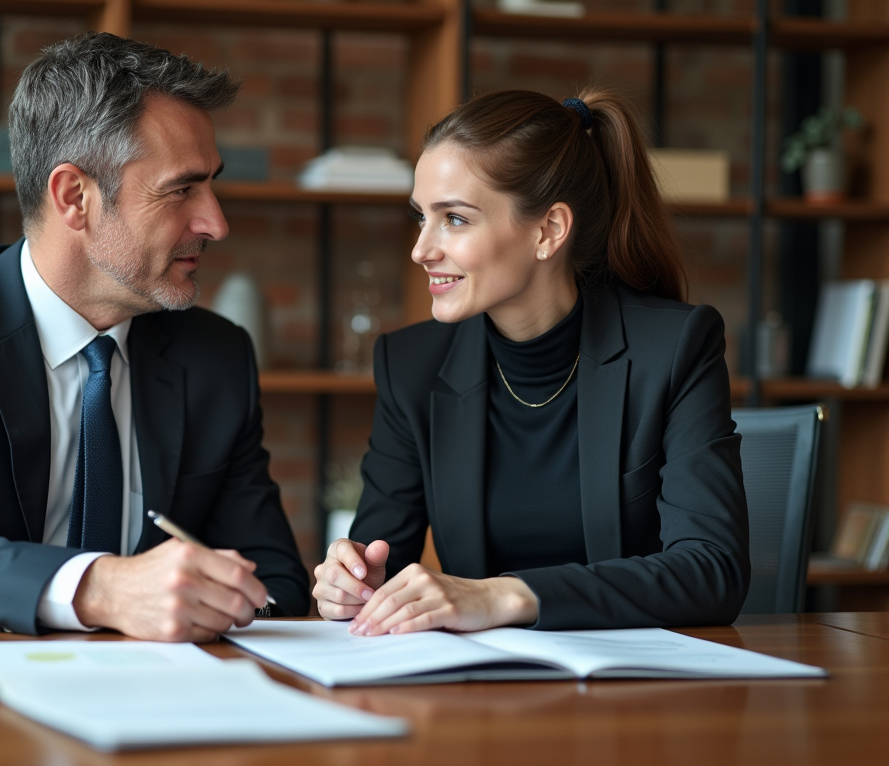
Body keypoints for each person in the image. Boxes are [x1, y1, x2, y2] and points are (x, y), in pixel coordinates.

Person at [0, 32, 310, 639]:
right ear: (75, 197)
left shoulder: (216, 356)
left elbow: (275, 584)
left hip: (132, 698)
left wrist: (223, 604)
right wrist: (99, 588)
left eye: (211, 185)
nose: (216, 222)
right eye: (182, 189)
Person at [313, 89, 750, 635]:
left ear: (548, 231)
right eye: (421, 217)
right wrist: (352, 584)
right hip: (482, 696)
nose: (421, 248)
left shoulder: (674, 347)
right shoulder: (410, 366)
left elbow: (712, 572)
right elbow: (383, 564)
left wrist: (505, 596)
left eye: (454, 219)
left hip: (639, 695)